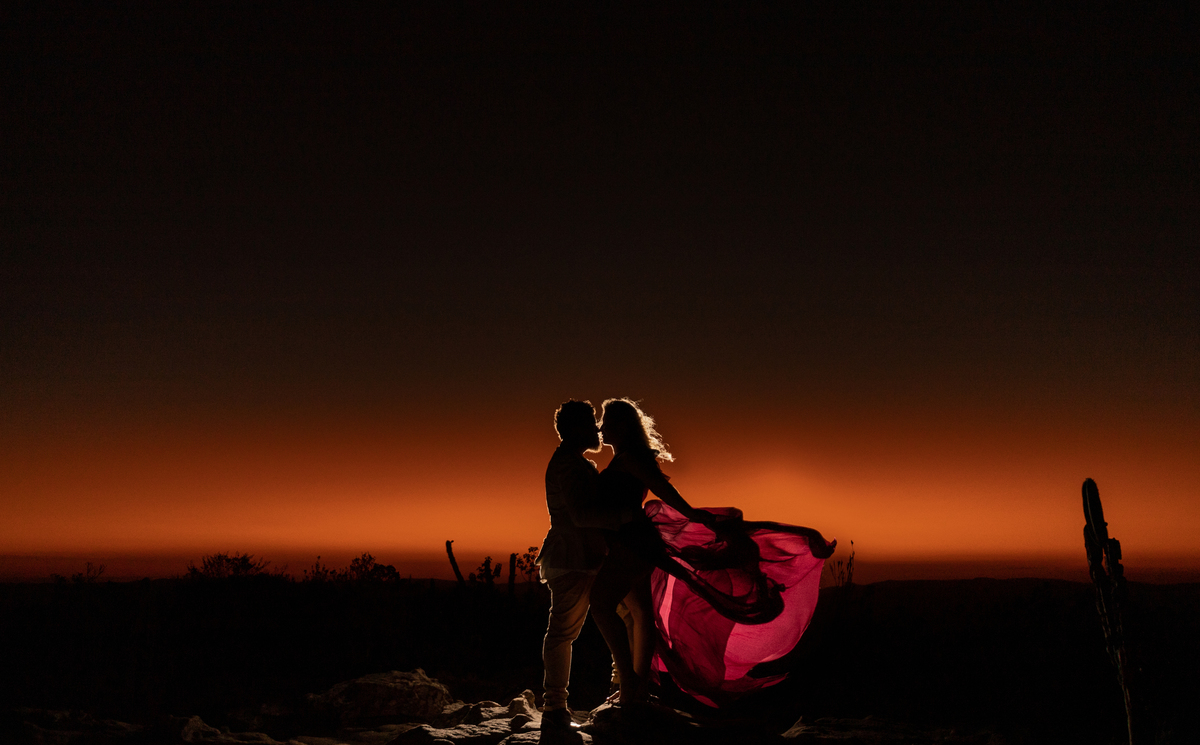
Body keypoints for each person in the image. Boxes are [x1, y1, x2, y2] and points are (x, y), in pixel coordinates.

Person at [589, 398, 836, 709]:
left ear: (622, 427)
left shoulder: (629, 460)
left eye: (607, 422)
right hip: (634, 542)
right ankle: (636, 689)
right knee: (640, 614)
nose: (601, 428)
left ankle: (630, 686)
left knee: (600, 604)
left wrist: (693, 515)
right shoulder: (628, 457)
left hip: (632, 543)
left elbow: (665, 492)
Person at [536, 400, 632, 728]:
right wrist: (624, 518)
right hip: (572, 557)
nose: (598, 430)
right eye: (592, 423)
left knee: (625, 614)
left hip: (586, 554)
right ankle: (555, 708)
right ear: (577, 429)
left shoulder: (575, 463)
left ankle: (619, 688)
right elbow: (580, 515)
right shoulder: (568, 466)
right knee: (563, 631)